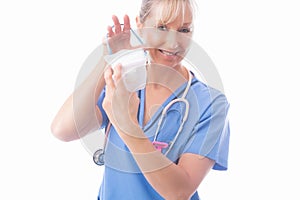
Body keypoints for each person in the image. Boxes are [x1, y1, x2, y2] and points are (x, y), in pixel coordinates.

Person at [51, 0, 230, 199]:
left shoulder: (211, 104)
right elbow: (63, 129)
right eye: (161, 27)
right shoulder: (121, 82)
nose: (173, 42)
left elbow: (179, 192)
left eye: (184, 30)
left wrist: (128, 126)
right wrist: (108, 57)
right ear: (141, 26)